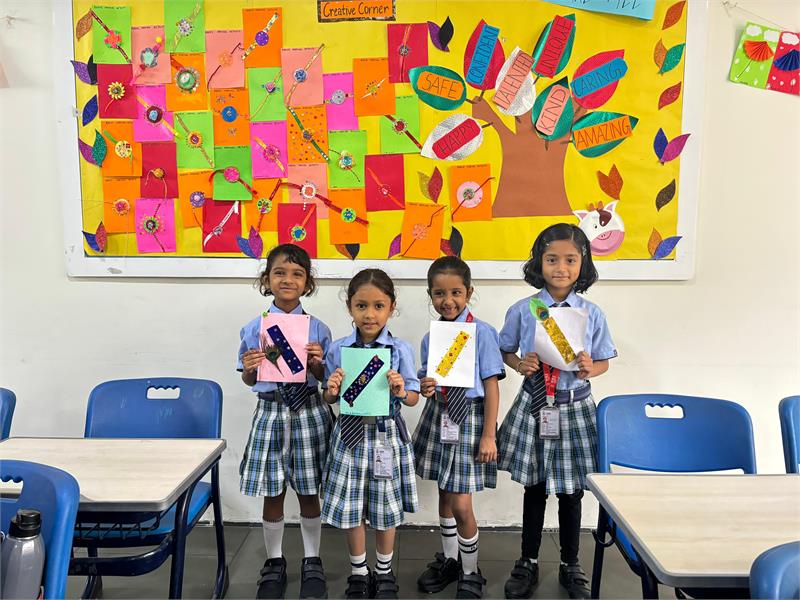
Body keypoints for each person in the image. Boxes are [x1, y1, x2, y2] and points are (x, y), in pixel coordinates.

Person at [497, 224, 617, 600]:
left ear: (583, 263)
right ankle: (528, 560)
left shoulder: (591, 313)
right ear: (539, 262)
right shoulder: (524, 309)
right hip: (535, 403)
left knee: (571, 492)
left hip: (574, 406)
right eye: (551, 259)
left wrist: (590, 368)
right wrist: (520, 364)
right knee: (534, 487)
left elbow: (604, 361)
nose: (560, 268)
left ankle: (570, 562)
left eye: (570, 260)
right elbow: (505, 351)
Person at [238, 244, 332, 599]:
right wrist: (250, 369)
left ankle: (312, 560)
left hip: (309, 411)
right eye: (279, 273)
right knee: (272, 490)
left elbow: (326, 380)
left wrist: (318, 365)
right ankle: (274, 561)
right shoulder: (255, 328)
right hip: (271, 411)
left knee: (309, 490)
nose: (287, 280)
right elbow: (249, 379)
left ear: (308, 283)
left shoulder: (318, 329)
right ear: (267, 280)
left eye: (297, 274)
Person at [321, 268, 420, 599]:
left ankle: (384, 570)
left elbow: (413, 397)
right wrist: (332, 390)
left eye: (379, 306)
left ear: (391, 307)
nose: (369, 314)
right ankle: (359, 572)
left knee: (384, 507)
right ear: (350, 306)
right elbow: (329, 397)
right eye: (361, 306)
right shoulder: (338, 349)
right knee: (352, 507)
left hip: (384, 434)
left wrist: (401, 390)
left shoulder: (400, 349)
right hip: (349, 434)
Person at [413, 257, 505, 599]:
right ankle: (451, 560)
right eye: (439, 293)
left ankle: (470, 571)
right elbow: (428, 380)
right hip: (440, 414)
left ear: (469, 292)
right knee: (444, 492)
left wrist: (489, 435)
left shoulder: (483, 333)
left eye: (455, 292)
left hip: (471, 418)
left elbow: (492, 386)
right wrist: (426, 386)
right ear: (430, 295)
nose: (447, 300)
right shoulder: (431, 338)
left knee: (462, 503)